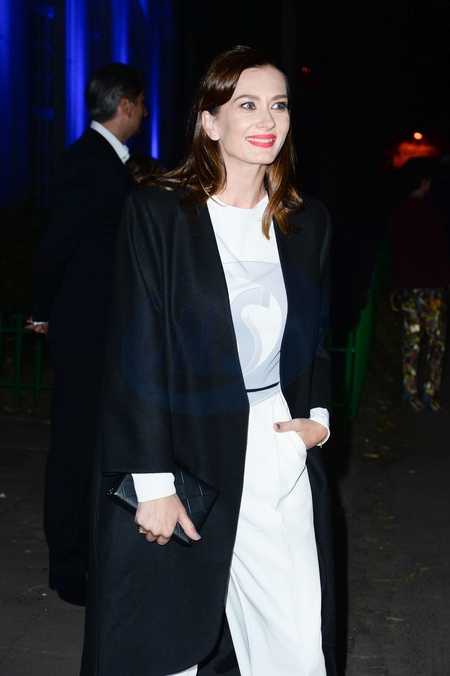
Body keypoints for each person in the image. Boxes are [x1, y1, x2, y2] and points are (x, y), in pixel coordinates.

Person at [81, 45, 336, 675]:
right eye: (246, 104)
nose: (266, 119)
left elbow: (314, 337)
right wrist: (152, 481)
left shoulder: (306, 222)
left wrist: (317, 418)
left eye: (278, 105)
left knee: (296, 645)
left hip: (273, 443)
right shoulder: (159, 214)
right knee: (166, 646)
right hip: (183, 446)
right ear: (209, 121)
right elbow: (135, 353)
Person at [25, 62, 147, 606]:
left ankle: (87, 554)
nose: (145, 113)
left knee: (93, 443)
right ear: (125, 105)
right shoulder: (90, 162)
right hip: (84, 329)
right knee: (74, 448)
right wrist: (41, 309)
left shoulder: (109, 162)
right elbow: (58, 242)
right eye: (141, 104)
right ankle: (68, 567)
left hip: (100, 327)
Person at [391, 157, 450, 412]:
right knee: (436, 340)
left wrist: (399, 284)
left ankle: (410, 389)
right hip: (433, 287)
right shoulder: (433, 212)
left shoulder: (400, 212)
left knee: (412, 339)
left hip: (410, 288)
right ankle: (430, 391)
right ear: (424, 182)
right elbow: (440, 251)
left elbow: (397, 252)